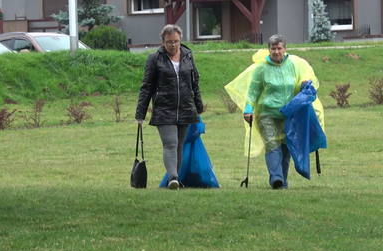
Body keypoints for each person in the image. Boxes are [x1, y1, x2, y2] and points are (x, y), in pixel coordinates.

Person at [225, 34, 324, 189]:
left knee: (286, 147)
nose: (276, 51)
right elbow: (252, 92)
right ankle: (276, 178)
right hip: (267, 114)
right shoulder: (261, 68)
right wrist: (248, 109)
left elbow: (297, 85)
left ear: (285, 49)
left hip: (288, 114)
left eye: (279, 48)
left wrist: (304, 85)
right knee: (272, 143)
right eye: (273, 48)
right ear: (268, 50)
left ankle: (282, 182)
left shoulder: (293, 65)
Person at [135, 24, 204, 190]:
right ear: (163, 42)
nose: (174, 45)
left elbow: (195, 82)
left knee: (179, 145)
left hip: (185, 108)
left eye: (176, 41)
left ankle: (175, 177)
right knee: (170, 143)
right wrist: (140, 113)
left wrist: (198, 105)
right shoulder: (154, 59)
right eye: (170, 42)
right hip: (164, 108)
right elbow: (147, 87)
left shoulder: (188, 55)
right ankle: (172, 177)